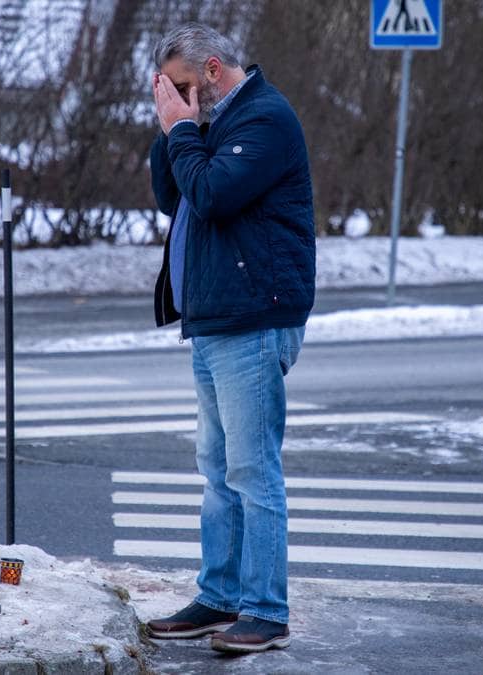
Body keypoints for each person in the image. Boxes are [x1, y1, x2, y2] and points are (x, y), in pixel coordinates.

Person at [143, 22, 315, 654]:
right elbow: (172, 195)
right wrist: (171, 130)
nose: (179, 100)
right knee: (217, 472)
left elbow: (211, 194)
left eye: (183, 86)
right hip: (216, 318)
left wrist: (183, 131)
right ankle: (219, 598)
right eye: (168, 92)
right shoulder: (208, 122)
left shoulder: (265, 120)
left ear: (213, 71)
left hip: (255, 319)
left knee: (252, 471)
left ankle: (266, 611)